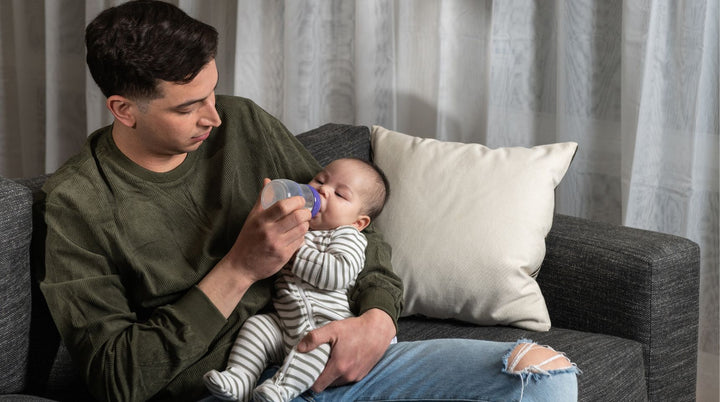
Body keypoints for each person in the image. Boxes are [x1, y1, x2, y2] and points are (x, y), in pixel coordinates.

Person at [38, 1, 580, 401]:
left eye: (212, 91)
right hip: (222, 389)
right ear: (124, 109)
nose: (214, 117)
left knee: (546, 377)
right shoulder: (77, 204)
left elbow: (357, 234)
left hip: (322, 355)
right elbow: (118, 379)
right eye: (188, 107)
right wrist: (240, 267)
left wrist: (376, 321)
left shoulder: (243, 125)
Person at [204, 158, 391, 402]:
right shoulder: (297, 225)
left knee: (314, 351)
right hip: (283, 325)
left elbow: (338, 273)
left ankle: (281, 390)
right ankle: (240, 377)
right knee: (256, 328)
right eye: (320, 180)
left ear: (359, 222)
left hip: (324, 327)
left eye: (340, 194)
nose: (323, 189)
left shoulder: (347, 236)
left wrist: (294, 249)